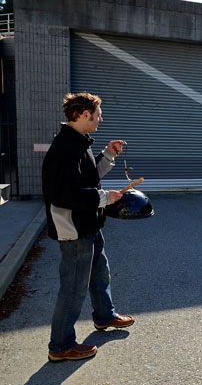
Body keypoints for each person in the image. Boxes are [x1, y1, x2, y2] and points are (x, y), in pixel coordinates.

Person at [42, 92, 135, 362]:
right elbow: (64, 195)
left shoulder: (78, 144)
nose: (101, 119)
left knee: (99, 275)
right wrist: (105, 197)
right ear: (84, 115)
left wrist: (107, 154)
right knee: (72, 288)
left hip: (89, 225)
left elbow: (88, 175)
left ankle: (104, 316)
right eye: (98, 115)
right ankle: (60, 346)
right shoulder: (64, 149)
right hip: (74, 230)